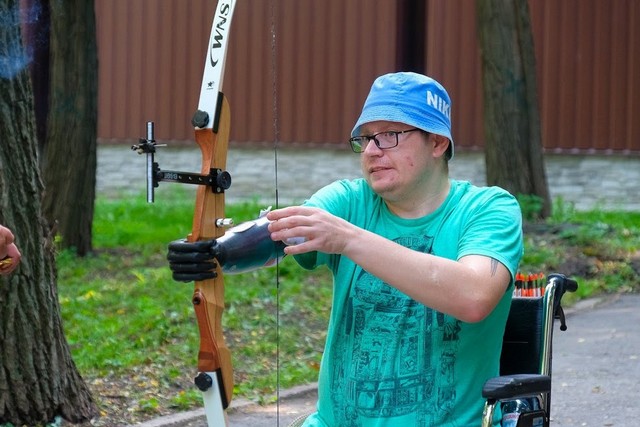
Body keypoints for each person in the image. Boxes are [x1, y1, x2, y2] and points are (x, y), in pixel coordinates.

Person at [169, 72, 523, 426]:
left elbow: (474, 296)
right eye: (365, 138)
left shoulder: (488, 209)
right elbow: (277, 233)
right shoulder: (349, 200)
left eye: (389, 135)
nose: (371, 150)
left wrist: (348, 240)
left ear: (437, 143)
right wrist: (215, 251)